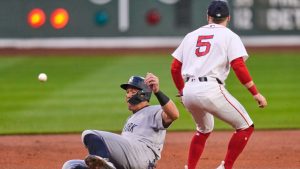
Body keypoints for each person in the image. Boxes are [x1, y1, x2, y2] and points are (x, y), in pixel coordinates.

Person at [170, 0, 267, 169]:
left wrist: (182, 91)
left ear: (208, 16)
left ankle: (189, 167)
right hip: (211, 88)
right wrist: (255, 93)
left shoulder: (191, 35)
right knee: (245, 126)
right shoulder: (230, 36)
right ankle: (225, 167)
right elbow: (238, 65)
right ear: (228, 18)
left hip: (190, 91)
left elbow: (174, 68)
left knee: (204, 129)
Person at [62, 73, 179, 169]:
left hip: (141, 157)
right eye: (127, 92)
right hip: (129, 160)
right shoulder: (130, 119)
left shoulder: (154, 111)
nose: (128, 95)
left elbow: (174, 114)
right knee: (71, 166)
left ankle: (103, 164)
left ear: (144, 95)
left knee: (90, 135)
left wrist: (157, 91)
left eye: (133, 92)